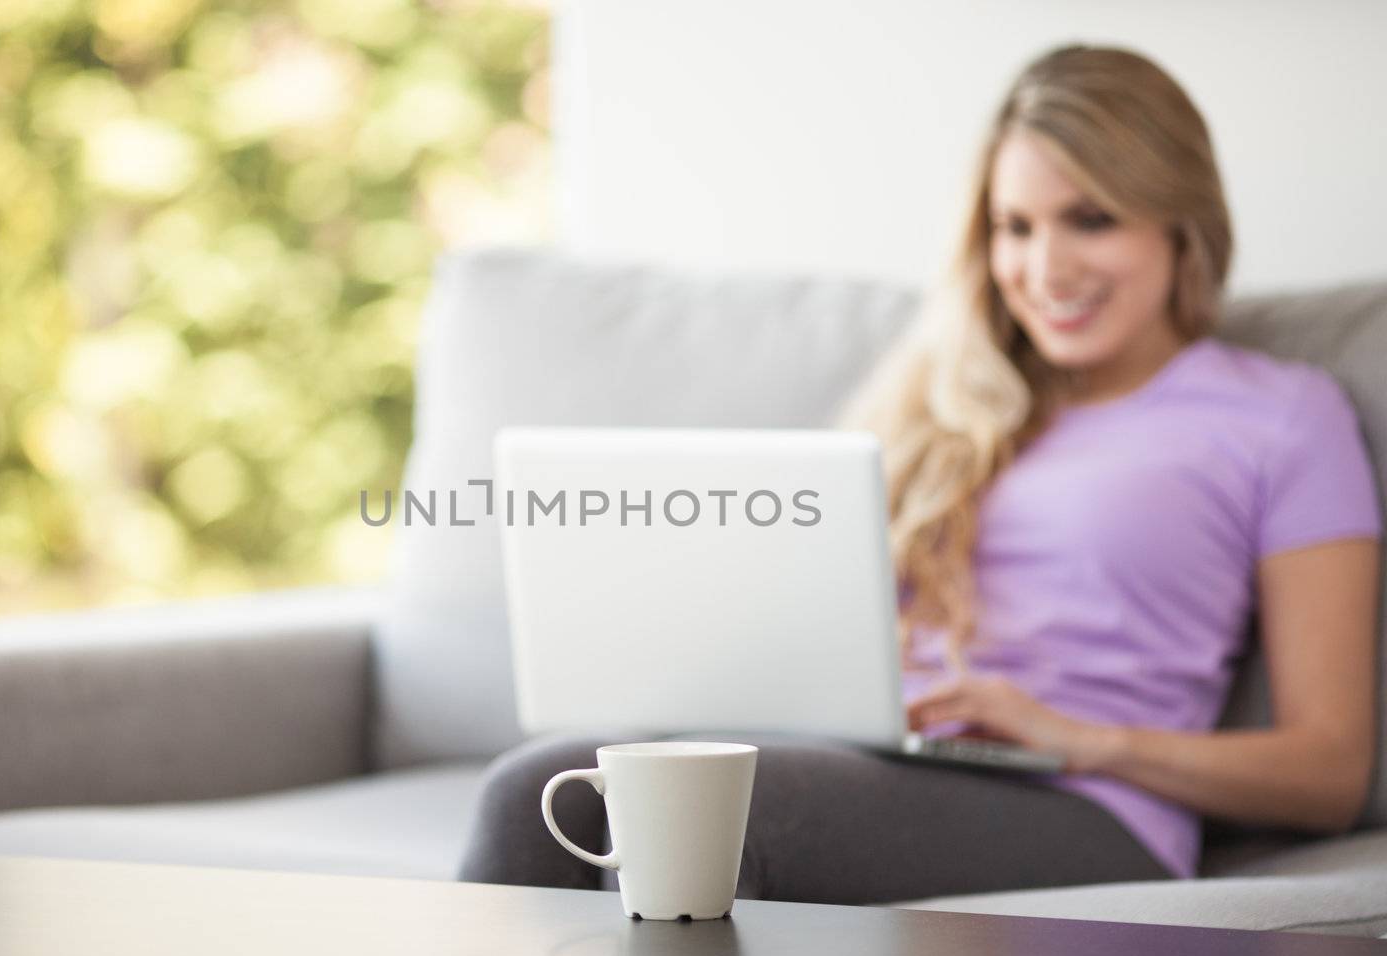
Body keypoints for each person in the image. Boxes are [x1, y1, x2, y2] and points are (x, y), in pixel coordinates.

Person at [455, 44, 1382, 905]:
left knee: (638, 813)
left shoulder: (1284, 417)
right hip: (864, 755)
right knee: (562, 785)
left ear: (1183, 224)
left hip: (1091, 809)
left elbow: (1329, 774)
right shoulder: (941, 395)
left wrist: (1075, 739)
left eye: (1089, 220)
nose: (1044, 267)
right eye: (1014, 228)